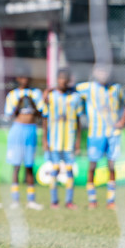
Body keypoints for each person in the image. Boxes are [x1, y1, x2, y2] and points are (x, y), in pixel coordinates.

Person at [74, 67, 125, 209]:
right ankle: (92, 200)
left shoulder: (116, 89)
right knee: (92, 166)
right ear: (95, 74)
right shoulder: (88, 88)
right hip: (95, 134)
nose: (103, 75)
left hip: (113, 134)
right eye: (100, 72)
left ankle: (111, 201)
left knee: (111, 166)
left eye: (106, 72)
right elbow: (70, 88)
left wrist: (122, 121)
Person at [42, 70, 82, 209]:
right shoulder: (51, 97)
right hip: (54, 141)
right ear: (57, 79)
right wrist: (44, 140)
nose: (62, 81)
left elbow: (78, 120)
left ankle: (69, 201)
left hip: (69, 141)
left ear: (68, 80)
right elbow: (45, 119)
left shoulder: (75, 97)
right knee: (54, 170)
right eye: (60, 78)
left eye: (65, 79)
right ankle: (54, 201)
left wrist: (78, 142)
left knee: (70, 171)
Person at [4, 74, 45, 209]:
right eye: (21, 77)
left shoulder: (35, 93)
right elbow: (10, 115)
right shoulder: (12, 95)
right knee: (16, 165)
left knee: (29, 165)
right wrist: (19, 103)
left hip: (31, 130)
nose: (25, 80)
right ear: (18, 79)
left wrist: (32, 103)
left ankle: (31, 200)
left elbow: (41, 114)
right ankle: (15, 200)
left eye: (27, 77)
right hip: (18, 130)